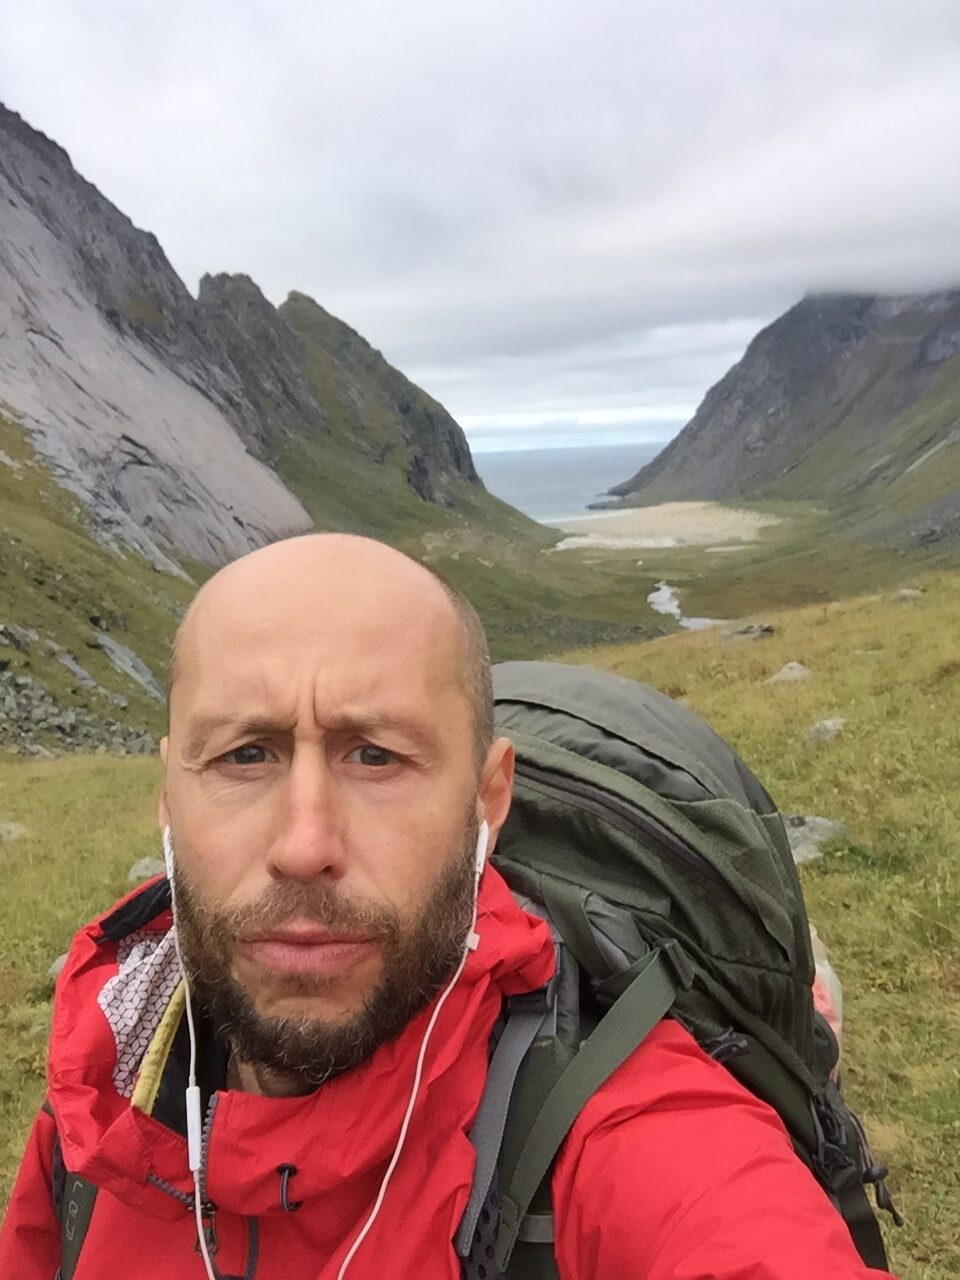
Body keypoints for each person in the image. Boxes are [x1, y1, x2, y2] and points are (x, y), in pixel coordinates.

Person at [0, 534, 896, 1279]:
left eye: (376, 756)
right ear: (168, 798)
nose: (305, 844)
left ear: (487, 798)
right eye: (244, 756)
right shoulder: (106, 1099)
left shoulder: (617, 1129)